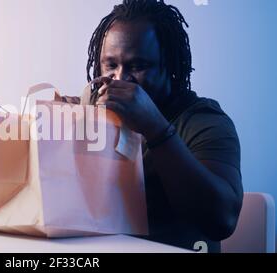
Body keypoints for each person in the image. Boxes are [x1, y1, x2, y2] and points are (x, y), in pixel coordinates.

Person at [58, 0, 243, 253]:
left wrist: (156, 128)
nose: (120, 78)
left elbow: (222, 220)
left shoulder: (204, 121)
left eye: (138, 66)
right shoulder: (92, 114)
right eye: (111, 65)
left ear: (170, 68)